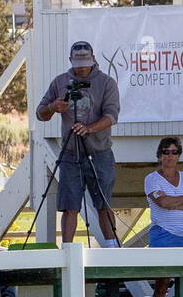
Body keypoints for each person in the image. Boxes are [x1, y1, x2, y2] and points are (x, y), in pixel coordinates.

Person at [36, 41, 122, 248]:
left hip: (99, 152)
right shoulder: (60, 81)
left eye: (85, 62)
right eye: (78, 63)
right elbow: (40, 114)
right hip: (70, 154)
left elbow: (112, 115)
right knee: (69, 205)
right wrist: (52, 107)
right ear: (70, 61)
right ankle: (67, 250)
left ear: (93, 59)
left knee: (103, 203)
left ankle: (111, 249)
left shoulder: (106, 82)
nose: (82, 67)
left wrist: (90, 128)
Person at [143, 137, 183, 297]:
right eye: (166, 152)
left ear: (179, 156)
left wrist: (174, 201)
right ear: (160, 155)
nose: (170, 156)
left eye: (174, 152)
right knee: (162, 283)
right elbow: (163, 203)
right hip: (163, 233)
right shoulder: (151, 179)